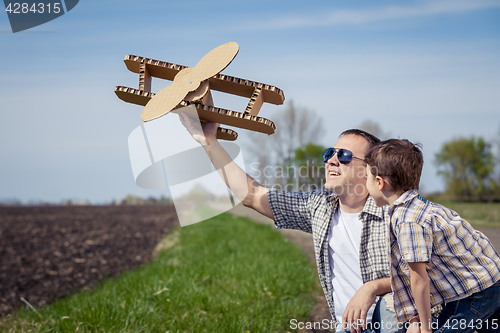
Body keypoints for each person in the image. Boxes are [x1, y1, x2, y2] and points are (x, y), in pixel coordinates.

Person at [180, 114, 403, 333]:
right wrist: (209, 141)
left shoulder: (395, 215)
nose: (332, 160)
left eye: (344, 156)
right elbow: (252, 195)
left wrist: (373, 287)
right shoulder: (319, 207)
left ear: (368, 171)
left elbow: (429, 277)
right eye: (329, 153)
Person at [364, 138, 500, 333]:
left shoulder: (407, 221)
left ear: (379, 182)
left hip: (474, 293)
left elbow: (418, 279)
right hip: (491, 280)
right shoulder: (420, 206)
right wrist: (414, 318)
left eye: (366, 176)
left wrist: (425, 328)